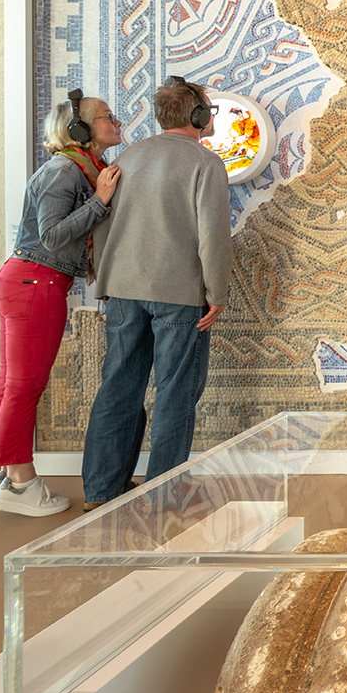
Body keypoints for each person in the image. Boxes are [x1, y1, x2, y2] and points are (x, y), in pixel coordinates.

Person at [79, 75, 232, 510]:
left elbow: (104, 224)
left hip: (122, 291)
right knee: (175, 392)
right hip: (180, 295)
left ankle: (102, 490)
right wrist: (217, 291)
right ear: (198, 115)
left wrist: (106, 281)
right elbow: (214, 237)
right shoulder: (205, 164)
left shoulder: (128, 157)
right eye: (209, 108)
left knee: (118, 387)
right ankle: (163, 495)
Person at [0, 91, 123, 515]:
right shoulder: (65, 171)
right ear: (79, 130)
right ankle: (22, 483)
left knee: (11, 385)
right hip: (35, 283)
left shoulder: (81, 169)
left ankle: (7, 474)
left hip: (27, 281)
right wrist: (100, 200)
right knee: (24, 388)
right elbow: (53, 236)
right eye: (105, 117)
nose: (115, 121)